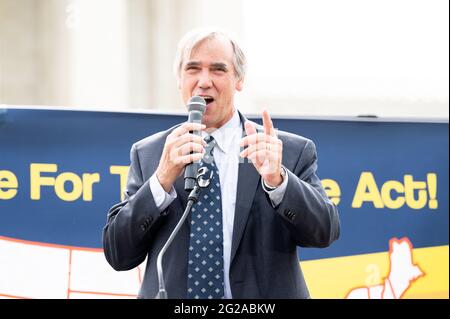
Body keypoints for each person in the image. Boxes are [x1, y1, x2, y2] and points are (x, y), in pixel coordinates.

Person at [102, 28, 340, 299]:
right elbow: (118, 254)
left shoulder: (284, 152)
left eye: (218, 70)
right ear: (180, 80)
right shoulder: (150, 154)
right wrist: (161, 180)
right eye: (193, 69)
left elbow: (325, 232)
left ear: (239, 80)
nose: (204, 81)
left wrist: (279, 181)